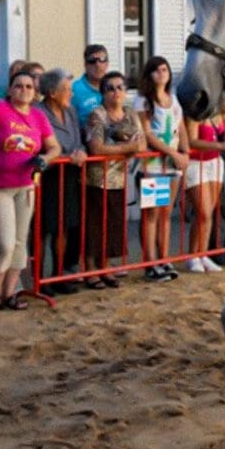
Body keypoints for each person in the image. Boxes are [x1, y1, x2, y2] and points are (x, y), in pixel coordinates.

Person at [0, 69, 60, 311]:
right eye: (18, 86)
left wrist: (46, 159)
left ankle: (10, 293)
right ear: (9, 90)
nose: (24, 90)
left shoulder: (38, 117)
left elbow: (54, 147)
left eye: (29, 86)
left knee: (20, 242)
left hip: (25, 185)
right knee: (5, 242)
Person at [84, 71, 143, 290]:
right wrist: (128, 148)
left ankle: (105, 267)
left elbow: (143, 144)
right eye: (110, 88)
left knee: (113, 225)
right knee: (94, 225)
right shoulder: (97, 114)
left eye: (120, 87)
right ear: (103, 93)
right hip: (97, 178)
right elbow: (97, 147)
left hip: (119, 177)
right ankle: (90, 269)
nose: (116, 92)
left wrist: (120, 150)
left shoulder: (130, 113)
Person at [134, 57, 189, 283]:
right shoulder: (143, 101)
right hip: (153, 165)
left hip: (171, 166)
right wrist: (173, 153)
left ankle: (164, 258)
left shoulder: (173, 99)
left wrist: (185, 152)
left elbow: (181, 128)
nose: (161, 73)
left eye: (165, 69)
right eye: (156, 70)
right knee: (152, 214)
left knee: (166, 213)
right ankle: (151, 261)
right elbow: (148, 133)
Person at [37, 69, 87, 294]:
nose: (71, 94)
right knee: (42, 228)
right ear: (52, 93)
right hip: (46, 175)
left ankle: (58, 274)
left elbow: (79, 140)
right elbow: (40, 144)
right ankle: (38, 278)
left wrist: (81, 152)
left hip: (68, 175)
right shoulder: (39, 112)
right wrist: (65, 155)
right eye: (66, 89)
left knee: (63, 226)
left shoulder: (71, 112)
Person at [185, 101, 225, 274]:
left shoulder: (224, 109)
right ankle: (193, 255)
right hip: (195, 163)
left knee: (210, 212)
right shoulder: (195, 111)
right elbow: (192, 141)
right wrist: (221, 146)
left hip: (215, 162)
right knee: (203, 211)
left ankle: (203, 253)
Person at [72, 44, 110, 127]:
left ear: (107, 64)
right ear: (85, 65)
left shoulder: (113, 86)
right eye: (92, 61)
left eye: (102, 59)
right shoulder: (74, 89)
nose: (97, 64)